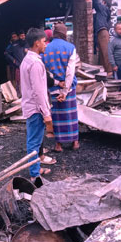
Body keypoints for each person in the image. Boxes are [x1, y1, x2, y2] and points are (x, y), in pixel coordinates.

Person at [20, 28, 52, 181]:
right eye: (44, 41)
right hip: (35, 108)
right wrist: (46, 113)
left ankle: (36, 169)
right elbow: (39, 92)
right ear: (36, 43)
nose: (46, 44)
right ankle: (34, 175)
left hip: (30, 105)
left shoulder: (27, 60)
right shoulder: (35, 63)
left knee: (33, 141)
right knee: (34, 142)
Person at [43, 23, 80, 153]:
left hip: (53, 87)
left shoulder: (46, 49)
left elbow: (46, 71)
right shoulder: (70, 47)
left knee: (57, 116)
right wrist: (65, 91)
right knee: (71, 115)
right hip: (68, 88)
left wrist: (57, 83)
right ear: (64, 34)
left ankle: (58, 144)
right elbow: (70, 72)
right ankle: (75, 142)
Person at [92, 0, 113, 75]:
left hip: (102, 31)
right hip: (100, 32)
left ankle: (109, 70)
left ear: (104, 3)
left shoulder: (103, 8)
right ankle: (104, 70)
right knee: (101, 53)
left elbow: (96, 2)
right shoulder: (104, 13)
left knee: (105, 52)